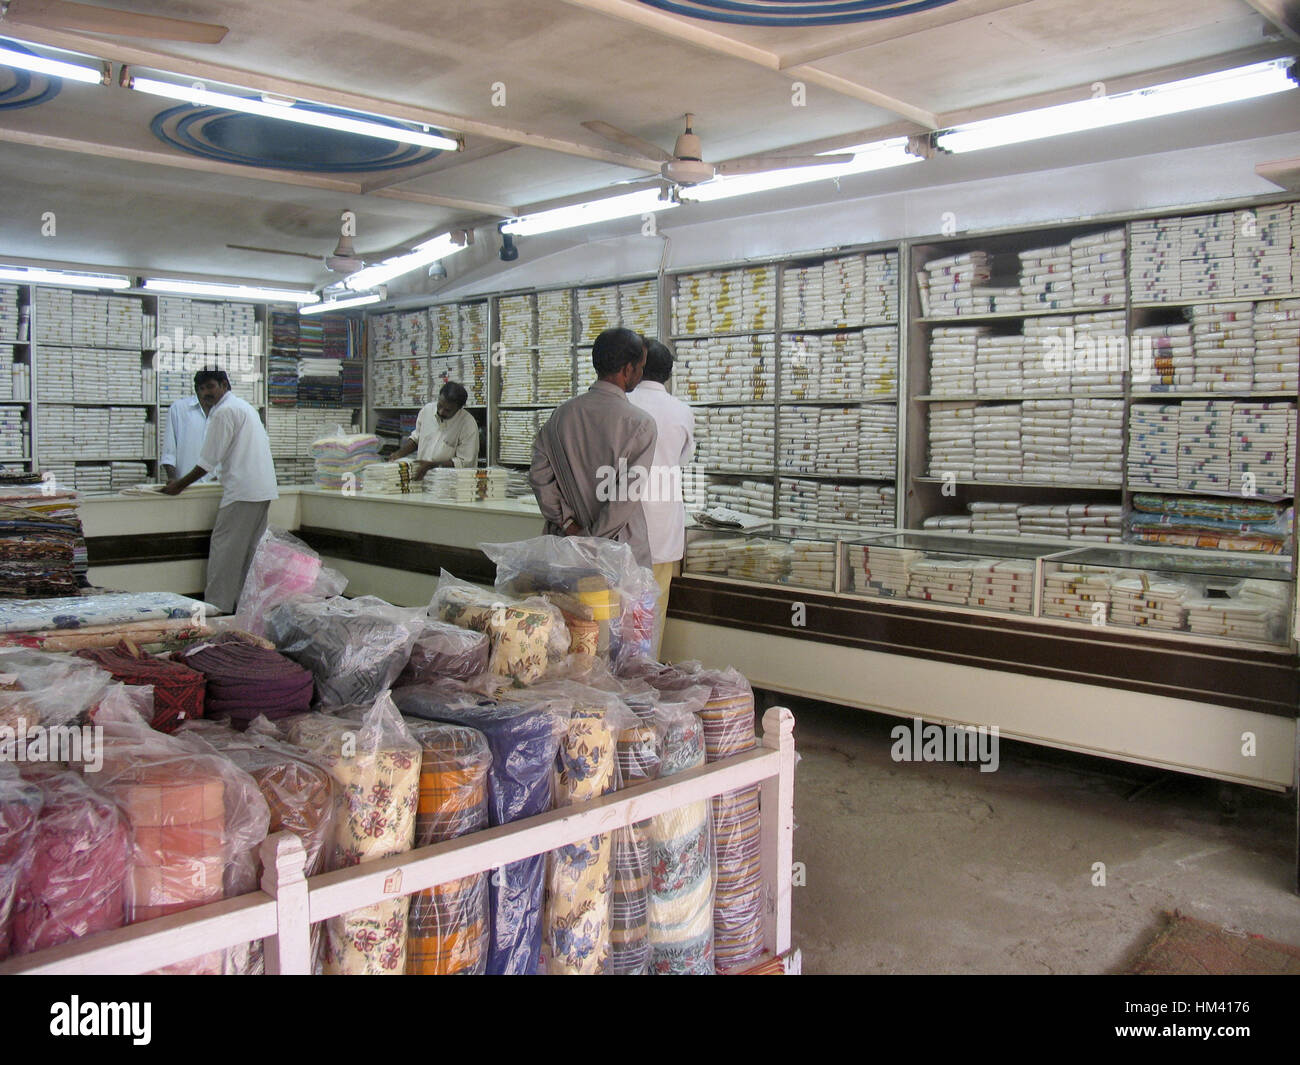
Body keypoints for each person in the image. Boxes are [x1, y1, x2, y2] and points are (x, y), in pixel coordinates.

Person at [530, 327, 657, 568]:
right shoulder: (640, 424)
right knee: (619, 606)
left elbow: (538, 477)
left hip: (566, 546)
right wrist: (592, 541)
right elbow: (625, 498)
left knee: (567, 605)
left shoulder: (559, 417)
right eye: (641, 366)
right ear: (628, 369)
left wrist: (569, 525)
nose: (641, 373)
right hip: (619, 551)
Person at [162, 369, 278, 614]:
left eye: (210, 387)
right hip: (262, 489)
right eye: (201, 389)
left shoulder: (224, 412)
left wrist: (177, 486)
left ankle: (217, 611)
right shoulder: (244, 407)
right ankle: (244, 610)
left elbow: (207, 463)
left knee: (225, 554)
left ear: (224, 385)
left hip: (243, 492)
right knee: (248, 555)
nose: (206, 393)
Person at [629, 338, 695, 658]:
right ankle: (647, 670)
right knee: (655, 602)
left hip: (621, 522)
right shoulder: (681, 410)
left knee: (618, 602)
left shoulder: (622, 404)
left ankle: (614, 678)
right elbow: (682, 460)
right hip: (662, 525)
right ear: (667, 375)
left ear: (634, 368)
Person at [390, 381, 479, 479]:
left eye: (447, 410)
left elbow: (464, 462)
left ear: (459, 408)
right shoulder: (427, 411)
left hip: (449, 484)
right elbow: (416, 439)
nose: (441, 411)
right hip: (421, 478)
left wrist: (432, 465)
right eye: (440, 405)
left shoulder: (468, 424)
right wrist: (399, 454)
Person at [160, 388, 215, 483]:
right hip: (185, 487)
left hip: (219, 488)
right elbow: (169, 453)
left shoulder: (228, 410)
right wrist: (173, 480)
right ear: (199, 388)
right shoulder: (179, 408)